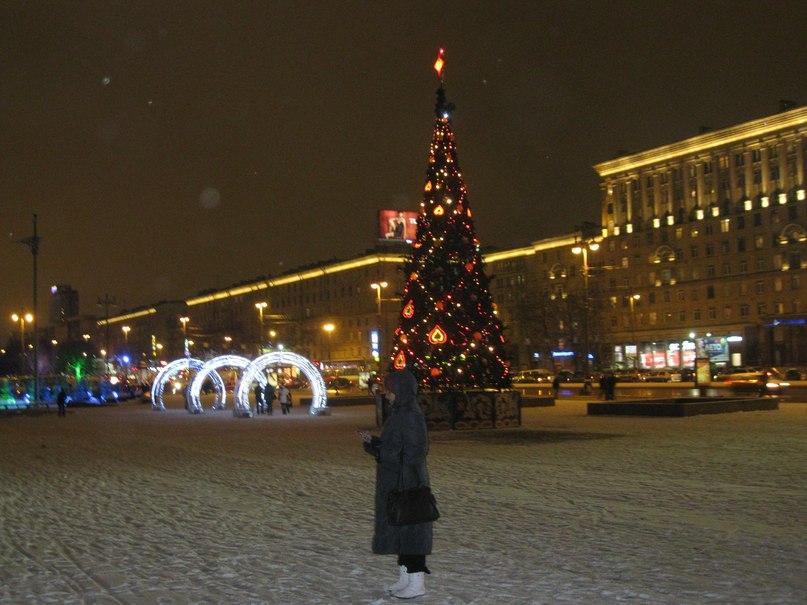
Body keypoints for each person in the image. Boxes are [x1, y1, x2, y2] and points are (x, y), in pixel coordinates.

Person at [358, 370, 433, 599]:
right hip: (396, 481)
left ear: (400, 391)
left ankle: (416, 581)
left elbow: (416, 451)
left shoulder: (410, 414)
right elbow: (396, 446)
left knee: (411, 532)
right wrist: (375, 444)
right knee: (401, 528)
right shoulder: (400, 413)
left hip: (408, 483)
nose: (387, 394)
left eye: (390, 390)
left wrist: (383, 451)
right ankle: (405, 577)